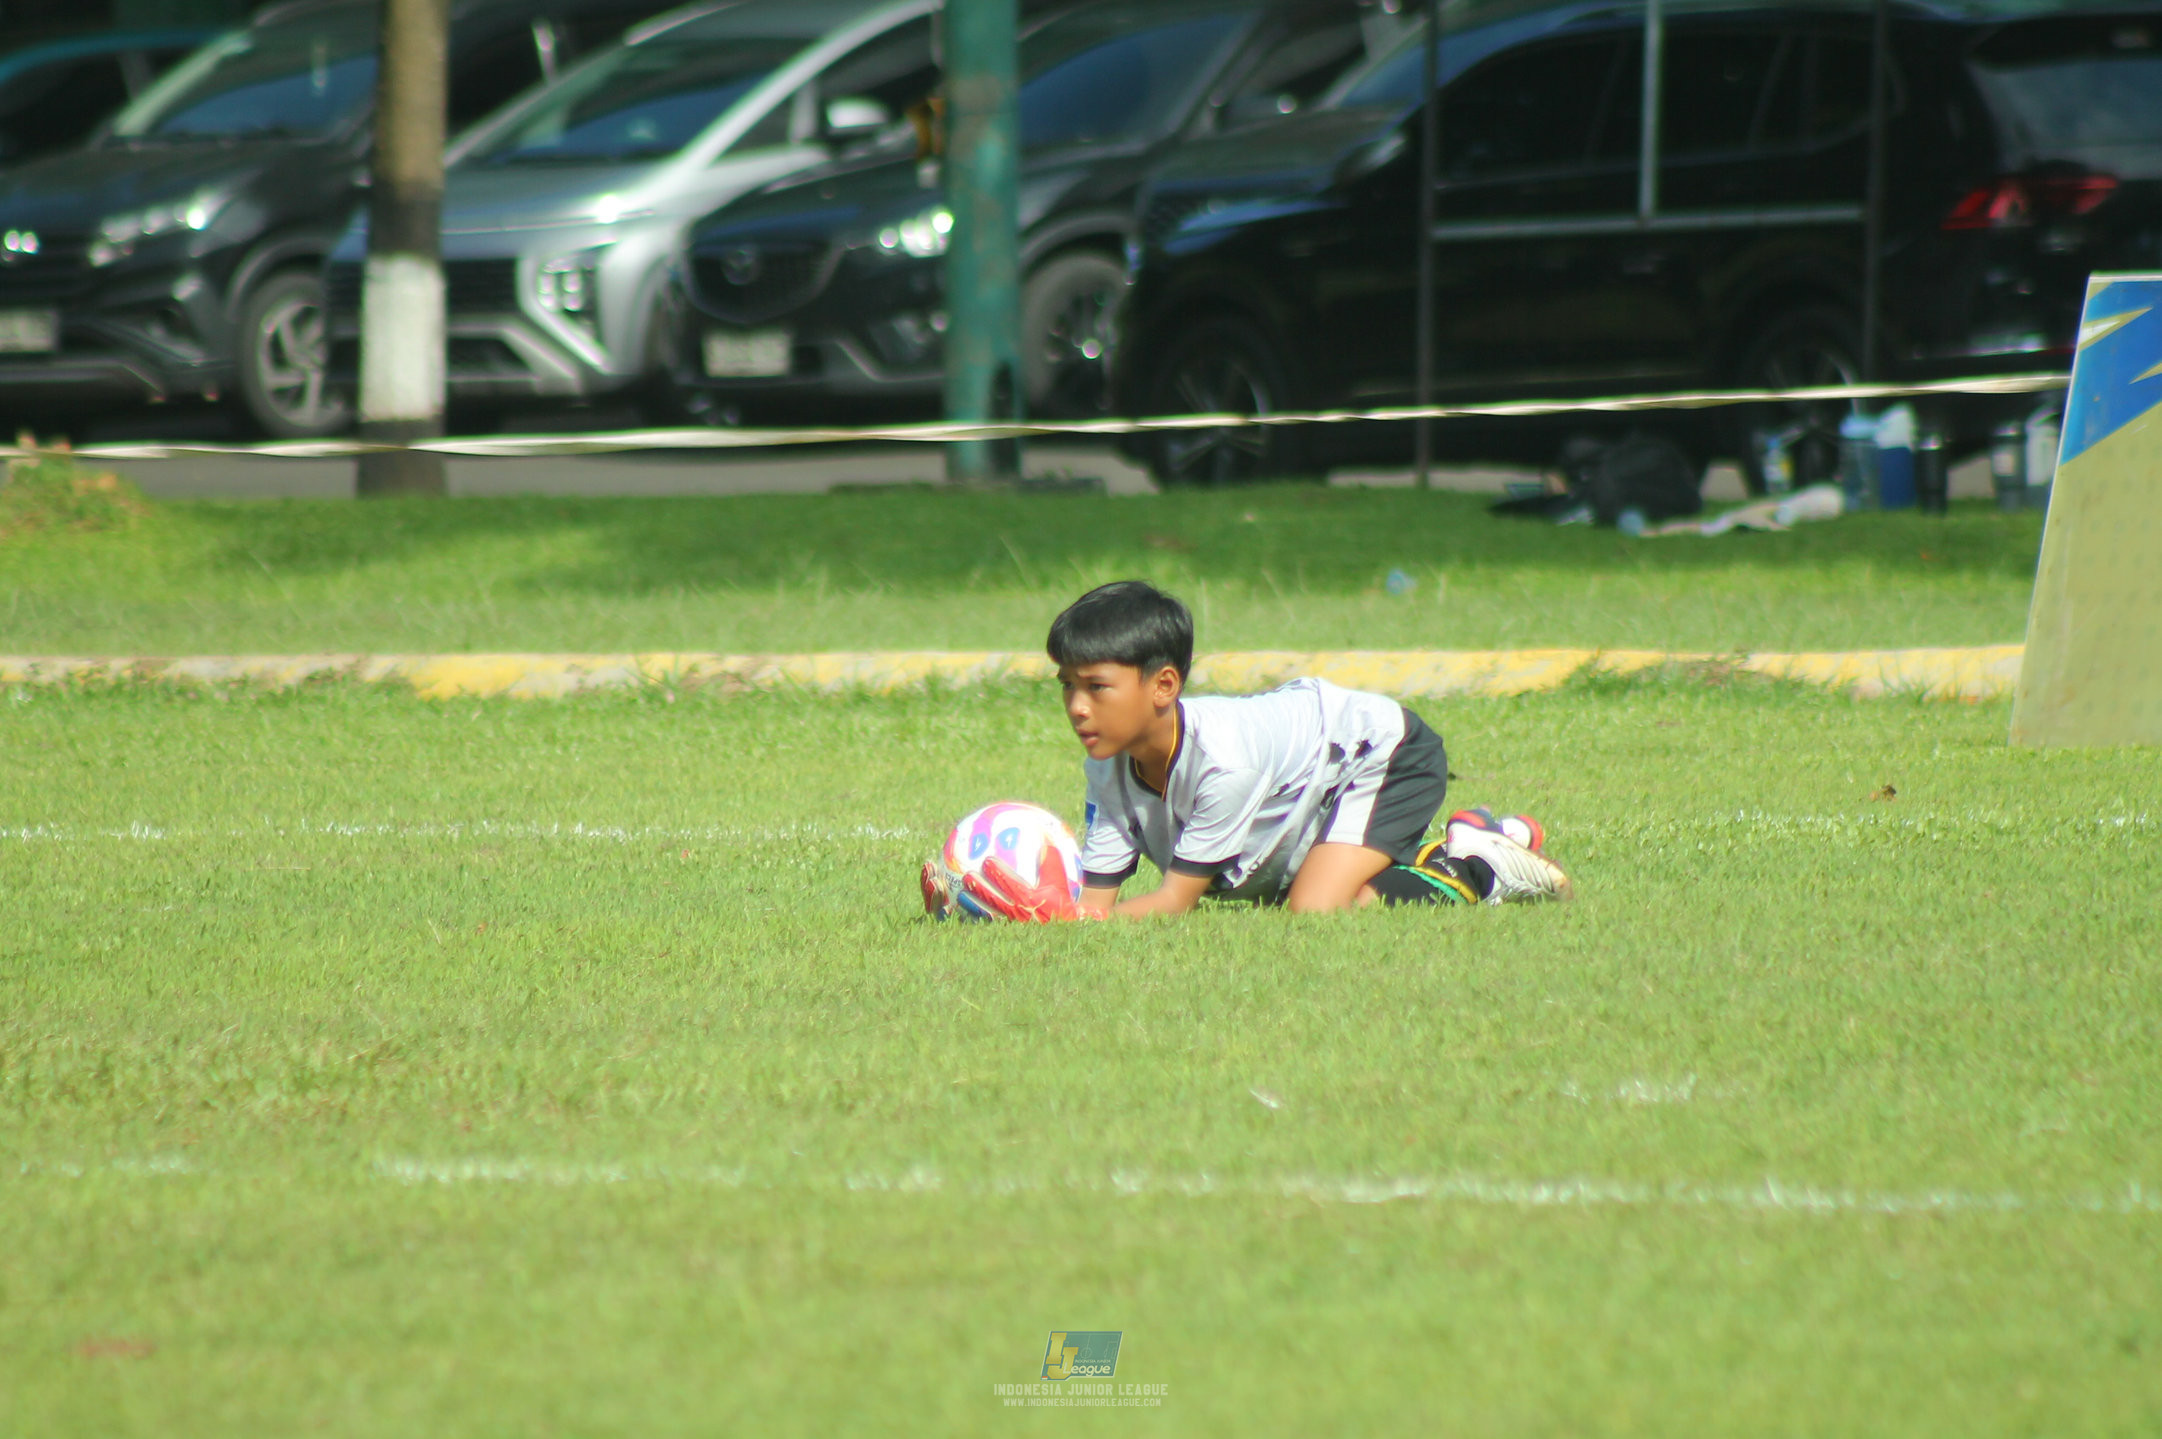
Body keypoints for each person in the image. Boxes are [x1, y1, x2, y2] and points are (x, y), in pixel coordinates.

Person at [922, 580, 1571, 921]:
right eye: (1067, 685)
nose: (1076, 706)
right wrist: (983, 901)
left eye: (1096, 686)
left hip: (1383, 753)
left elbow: (1173, 903)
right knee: (1283, 890)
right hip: (1315, 780)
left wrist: (1056, 924)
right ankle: (1464, 839)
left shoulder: (1223, 763)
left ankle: (1473, 865)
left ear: (1163, 686)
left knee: (1316, 907)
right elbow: (1096, 907)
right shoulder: (1107, 764)